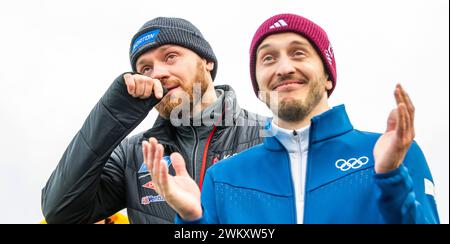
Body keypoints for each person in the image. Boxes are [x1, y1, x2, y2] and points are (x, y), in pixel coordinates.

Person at [144, 13, 440, 224]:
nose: (283, 68)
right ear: (259, 86)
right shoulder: (223, 178)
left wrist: (390, 179)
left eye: (298, 53)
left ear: (327, 76)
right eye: (268, 58)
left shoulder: (391, 154)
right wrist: (192, 220)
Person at [41, 17, 265, 224]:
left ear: (207, 61)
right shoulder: (131, 153)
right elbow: (60, 213)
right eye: (145, 68)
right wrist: (113, 113)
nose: (157, 73)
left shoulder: (267, 135)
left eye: (170, 57)